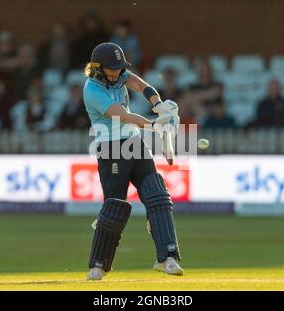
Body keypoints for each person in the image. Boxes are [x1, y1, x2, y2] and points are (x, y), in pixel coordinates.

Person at [83, 42, 183, 280]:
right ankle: (99, 265)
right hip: (111, 149)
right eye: (112, 68)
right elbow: (124, 116)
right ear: (98, 68)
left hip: (134, 144)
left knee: (157, 195)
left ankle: (167, 258)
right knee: (115, 207)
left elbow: (141, 84)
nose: (117, 72)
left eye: (119, 67)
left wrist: (157, 104)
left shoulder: (119, 74)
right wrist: (153, 124)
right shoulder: (92, 90)